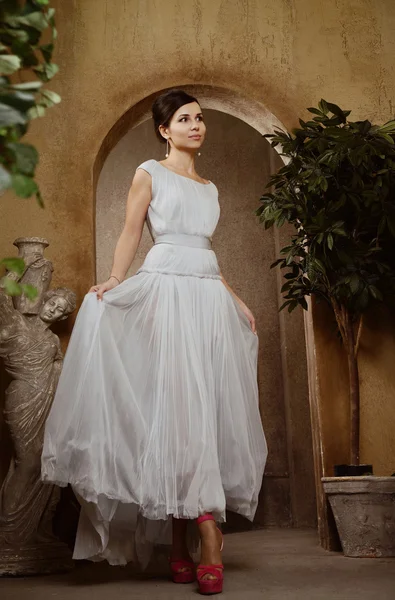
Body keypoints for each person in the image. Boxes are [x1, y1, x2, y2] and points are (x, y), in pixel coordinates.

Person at [41, 88, 267, 595]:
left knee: (201, 413)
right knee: (178, 412)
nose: (196, 125)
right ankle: (209, 535)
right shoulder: (150, 171)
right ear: (165, 130)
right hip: (165, 293)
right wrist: (117, 280)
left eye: (200, 118)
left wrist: (235, 299)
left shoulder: (209, 187)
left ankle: (184, 535)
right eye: (185, 119)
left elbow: (206, 252)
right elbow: (129, 232)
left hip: (207, 298)